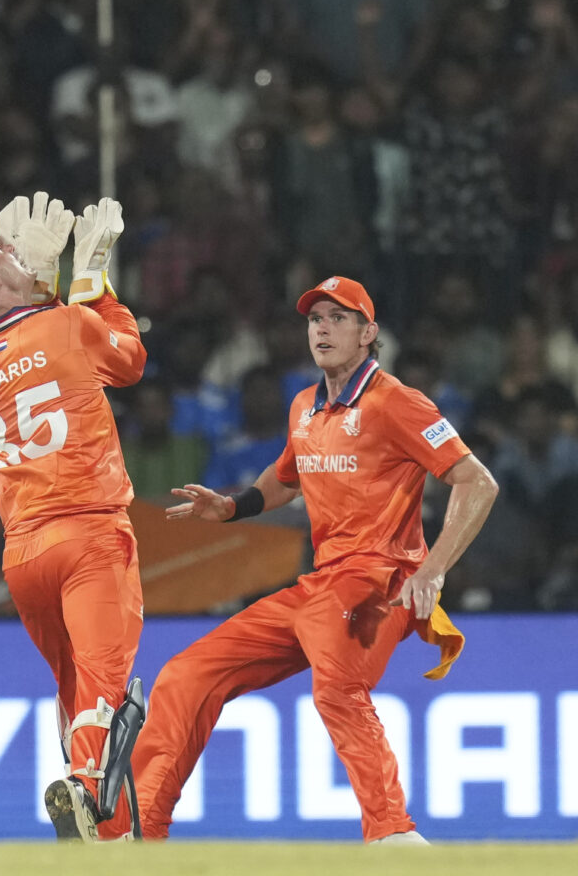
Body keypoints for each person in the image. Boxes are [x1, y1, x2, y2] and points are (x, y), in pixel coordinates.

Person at [131, 275, 499, 845]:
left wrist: (434, 568)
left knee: (336, 687)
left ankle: (393, 836)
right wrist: (231, 506)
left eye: (338, 317)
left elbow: (477, 482)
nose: (322, 328)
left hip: (382, 580)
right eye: (314, 319)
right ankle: (139, 832)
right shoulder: (305, 405)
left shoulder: (397, 402)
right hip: (322, 585)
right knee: (186, 675)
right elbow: (285, 479)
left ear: (368, 333)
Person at [0, 192, 147, 842]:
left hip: (23, 555)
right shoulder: (64, 326)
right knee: (106, 690)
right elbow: (129, 360)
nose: (10, 246)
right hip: (89, 535)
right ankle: (83, 791)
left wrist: (58, 289)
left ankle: (108, 839)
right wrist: (91, 279)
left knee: (76, 689)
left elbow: (45, 346)